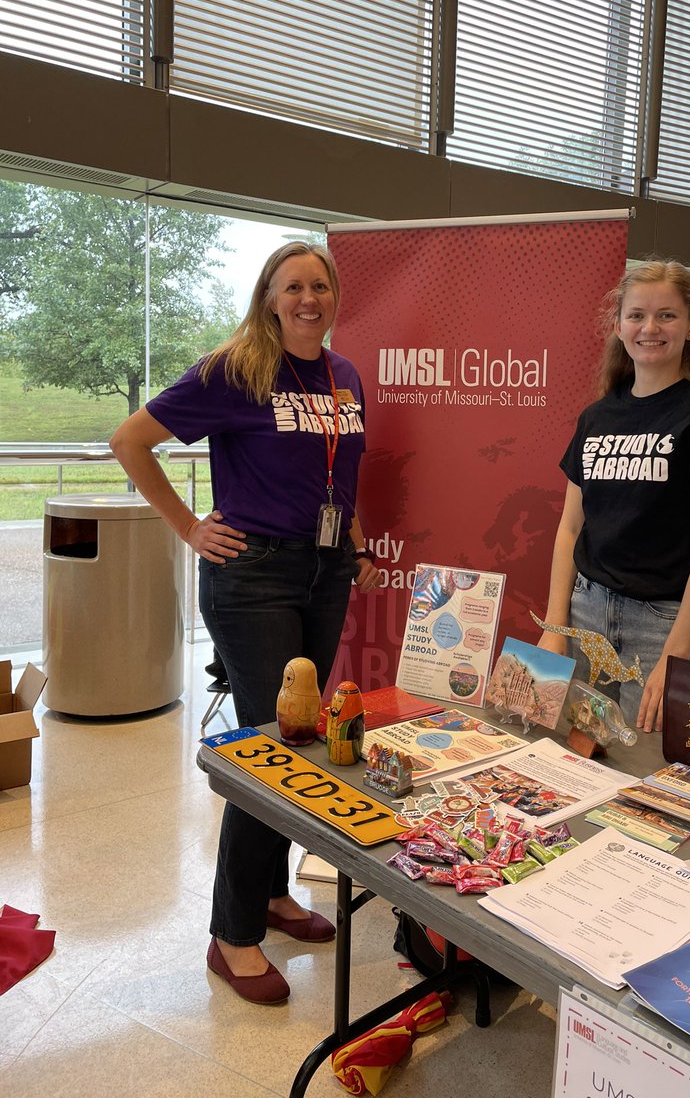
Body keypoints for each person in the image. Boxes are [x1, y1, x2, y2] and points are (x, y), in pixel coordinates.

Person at [110, 241, 382, 1004]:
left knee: (296, 739)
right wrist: (189, 526)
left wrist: (352, 548)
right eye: (291, 286)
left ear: (335, 297)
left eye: (320, 286)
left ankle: (270, 893)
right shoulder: (236, 367)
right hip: (253, 575)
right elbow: (130, 441)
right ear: (268, 296)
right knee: (271, 751)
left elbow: (342, 473)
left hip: (324, 571)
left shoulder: (344, 374)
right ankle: (231, 937)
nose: (308, 298)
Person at [538, 259, 690, 734]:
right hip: (586, 613)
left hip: (665, 623)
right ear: (618, 325)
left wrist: (678, 649)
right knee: (580, 761)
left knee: (655, 776)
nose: (649, 328)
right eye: (636, 315)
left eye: (667, 315)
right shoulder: (596, 417)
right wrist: (555, 626)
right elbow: (571, 527)